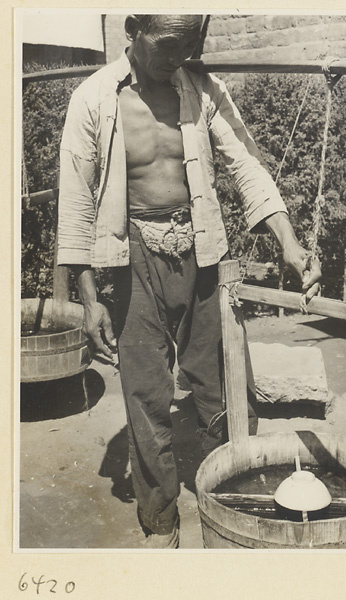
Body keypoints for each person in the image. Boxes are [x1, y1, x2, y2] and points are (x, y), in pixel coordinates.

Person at [57, 13, 321, 548]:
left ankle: (228, 499)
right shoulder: (92, 100)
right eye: (166, 44)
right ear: (132, 30)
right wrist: (89, 298)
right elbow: (76, 204)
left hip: (202, 251)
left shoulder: (204, 91)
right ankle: (160, 520)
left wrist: (290, 243)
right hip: (133, 259)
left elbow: (246, 166)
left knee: (216, 384)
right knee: (148, 395)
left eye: (189, 46)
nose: (176, 57)